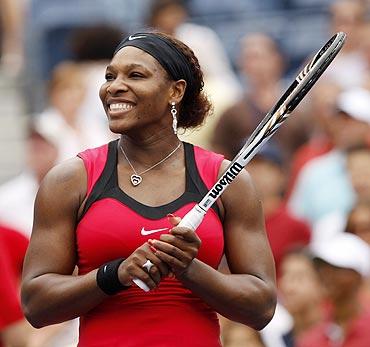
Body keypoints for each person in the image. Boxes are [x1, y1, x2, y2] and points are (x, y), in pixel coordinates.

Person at [21, 31, 277, 346]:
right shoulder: (70, 180)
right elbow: (35, 304)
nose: (114, 86)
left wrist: (189, 269)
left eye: (136, 75)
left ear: (175, 91)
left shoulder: (227, 180)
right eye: (110, 76)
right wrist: (113, 275)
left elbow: (262, 306)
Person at [298, 233, 370, 347]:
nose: (326, 274)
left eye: (336, 268)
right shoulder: (310, 338)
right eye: (321, 267)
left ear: (358, 276)